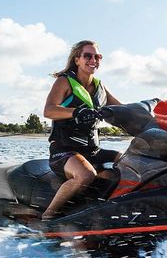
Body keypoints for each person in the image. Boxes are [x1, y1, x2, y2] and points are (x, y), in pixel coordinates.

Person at [42, 40, 122, 220]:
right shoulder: (65, 82)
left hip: (92, 151)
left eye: (97, 56)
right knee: (86, 175)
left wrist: (147, 115)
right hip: (64, 151)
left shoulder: (100, 88)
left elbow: (121, 110)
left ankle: (102, 210)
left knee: (128, 160)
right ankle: (48, 217)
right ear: (77, 59)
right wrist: (76, 111)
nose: (93, 59)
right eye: (88, 56)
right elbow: (49, 111)